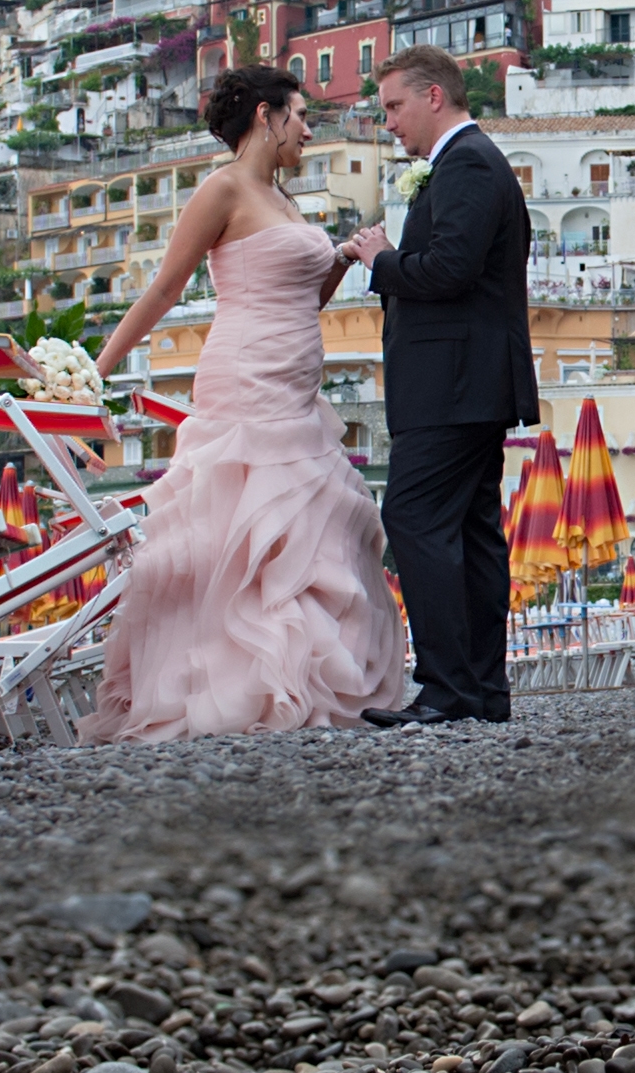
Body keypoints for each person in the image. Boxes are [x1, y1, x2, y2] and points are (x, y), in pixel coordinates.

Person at [78, 64, 405, 741]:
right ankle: (237, 690)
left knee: (309, 529)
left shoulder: (283, 197)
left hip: (296, 383)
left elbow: (305, 299)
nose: (309, 131)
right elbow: (165, 290)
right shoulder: (223, 189)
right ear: (265, 116)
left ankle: (306, 688)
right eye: (300, 115)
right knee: (244, 526)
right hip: (244, 375)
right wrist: (95, 370)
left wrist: (340, 261)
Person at [345, 44, 538, 724]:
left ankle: (450, 688)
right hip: (465, 383)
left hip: (453, 385)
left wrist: (382, 261)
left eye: (394, 106)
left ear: (434, 97)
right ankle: (481, 692)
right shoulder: (464, 165)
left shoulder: (467, 166)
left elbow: (448, 270)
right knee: (472, 530)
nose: (389, 122)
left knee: (415, 518)